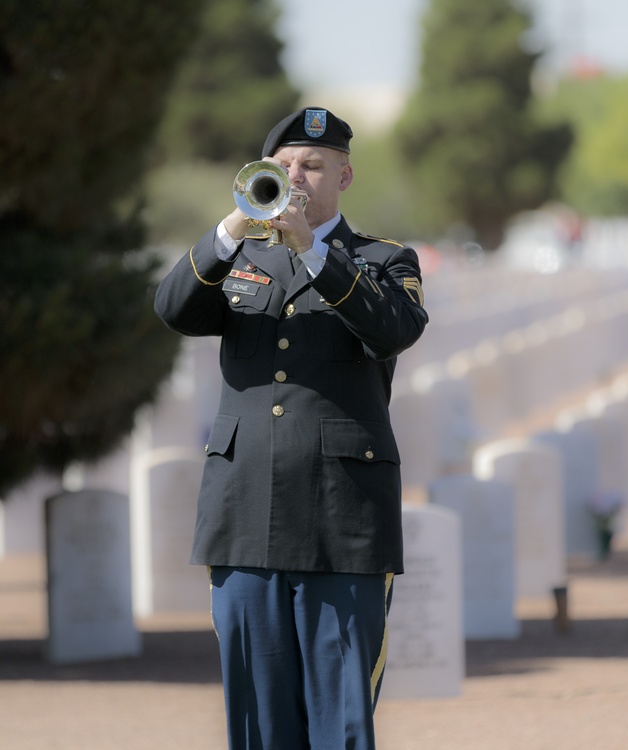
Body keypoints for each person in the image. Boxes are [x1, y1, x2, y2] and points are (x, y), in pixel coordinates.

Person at [153, 106, 428, 750]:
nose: (295, 176)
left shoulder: (384, 260)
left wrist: (314, 251)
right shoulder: (239, 256)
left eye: (311, 165)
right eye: (281, 167)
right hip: (244, 512)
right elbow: (172, 308)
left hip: (343, 522)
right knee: (257, 721)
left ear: (345, 176)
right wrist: (229, 228)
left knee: (341, 721)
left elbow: (391, 330)